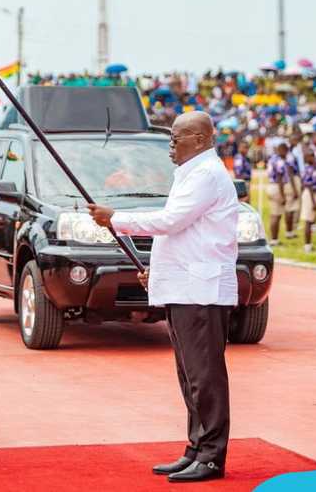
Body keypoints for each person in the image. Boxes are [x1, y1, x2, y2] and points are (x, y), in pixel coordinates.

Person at [88, 111, 238, 483]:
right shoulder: (191, 173)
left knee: (204, 376)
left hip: (200, 291)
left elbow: (171, 221)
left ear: (200, 140)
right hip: (186, 285)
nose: (171, 146)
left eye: (177, 139)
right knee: (190, 376)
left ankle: (212, 456)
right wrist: (159, 273)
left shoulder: (206, 175)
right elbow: (185, 237)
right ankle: (196, 448)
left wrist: (116, 218)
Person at [265, 143, 293, 246]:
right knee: (276, 215)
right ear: (283, 150)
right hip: (277, 187)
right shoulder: (280, 161)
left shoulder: (272, 159)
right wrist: (282, 195)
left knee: (274, 214)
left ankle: (273, 238)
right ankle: (274, 239)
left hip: (271, 186)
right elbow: (280, 178)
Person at [300, 146, 316, 253]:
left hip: (314, 194)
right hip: (310, 195)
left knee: (311, 219)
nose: (314, 158)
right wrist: (313, 201)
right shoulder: (308, 169)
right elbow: (308, 186)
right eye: (311, 156)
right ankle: (307, 245)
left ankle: (309, 244)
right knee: (308, 220)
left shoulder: (313, 167)